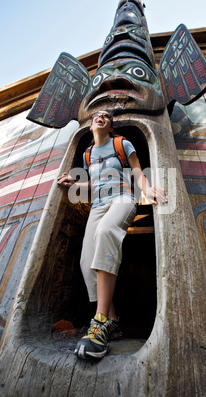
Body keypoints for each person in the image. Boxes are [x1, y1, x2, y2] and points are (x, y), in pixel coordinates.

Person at [57, 110, 167, 360]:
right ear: (91, 124)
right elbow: (92, 184)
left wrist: (147, 190)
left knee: (107, 232)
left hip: (122, 199)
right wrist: (73, 183)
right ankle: (113, 319)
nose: (100, 116)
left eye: (106, 116)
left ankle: (99, 320)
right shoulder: (87, 153)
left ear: (110, 125)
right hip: (98, 205)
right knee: (87, 262)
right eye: (97, 115)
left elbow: (137, 171)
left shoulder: (121, 143)